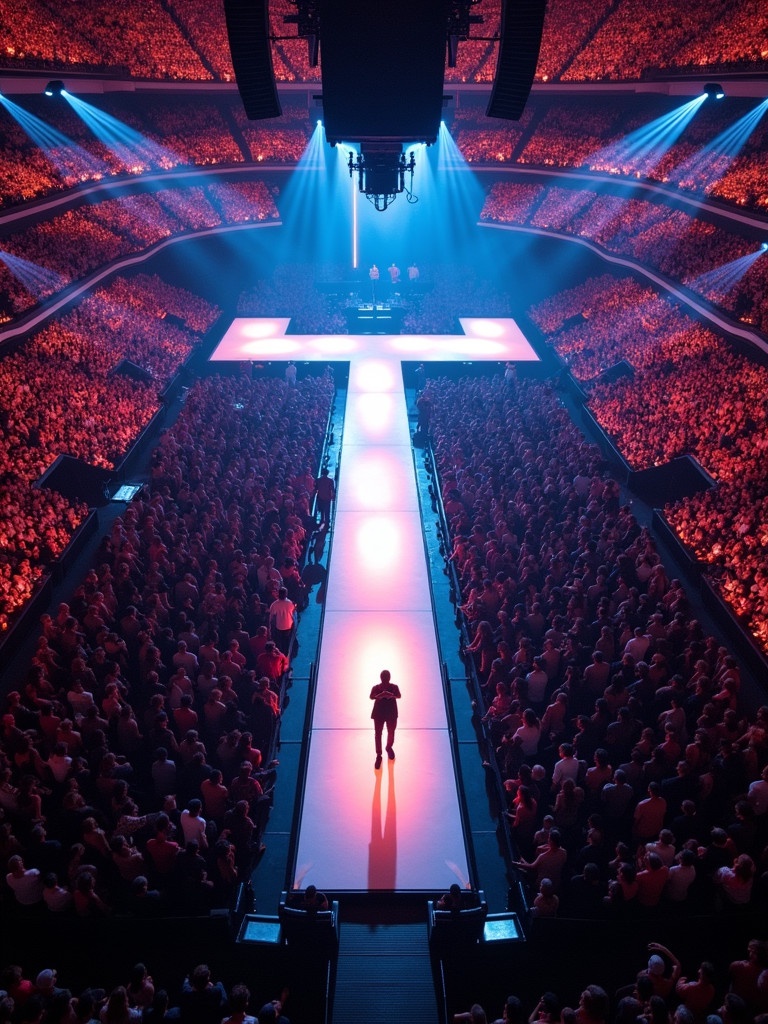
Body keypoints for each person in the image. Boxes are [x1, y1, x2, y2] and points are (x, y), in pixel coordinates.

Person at [370, 669, 401, 769]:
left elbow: (399, 695)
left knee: (390, 732)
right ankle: (379, 755)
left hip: (390, 713)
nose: (385, 679)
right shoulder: (376, 687)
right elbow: (371, 696)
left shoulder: (394, 687)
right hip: (380, 713)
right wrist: (381, 695)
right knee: (378, 734)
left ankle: (388, 747)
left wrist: (390, 695)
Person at [269, 588, 296, 656]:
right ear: (286, 594)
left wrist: (270, 627)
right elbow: (294, 612)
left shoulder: (274, 604)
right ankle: (286, 654)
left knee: (280, 641)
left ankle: (280, 654)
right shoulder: (290, 603)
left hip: (279, 626)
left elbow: (271, 616)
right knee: (286, 641)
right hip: (288, 626)